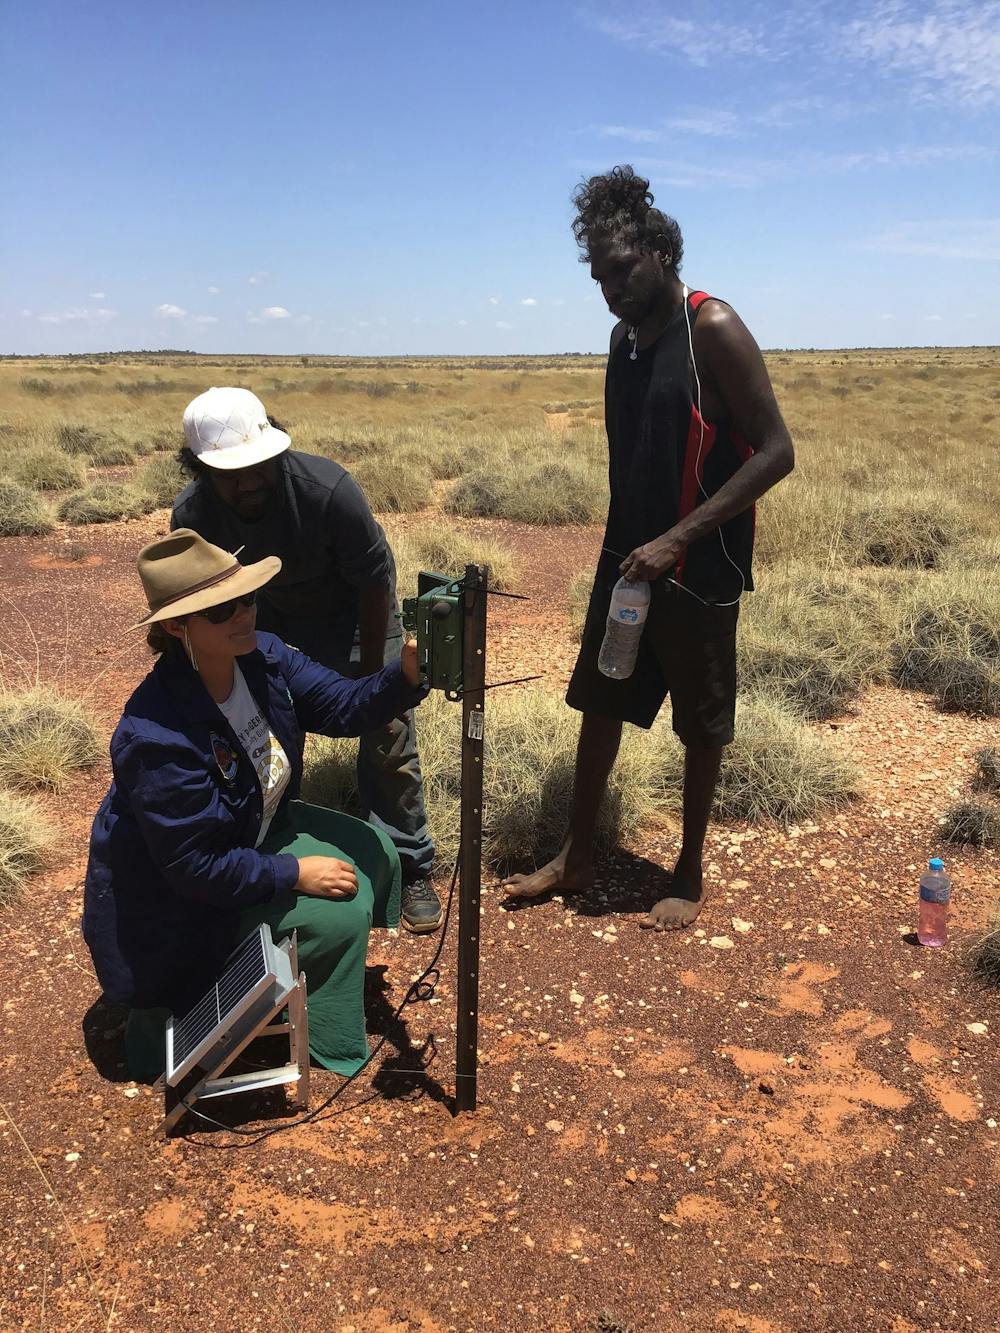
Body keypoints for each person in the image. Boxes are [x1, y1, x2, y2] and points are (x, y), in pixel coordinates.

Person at [504, 165, 794, 929]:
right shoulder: (623, 340)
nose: (610, 288)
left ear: (661, 252)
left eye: (622, 269)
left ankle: (690, 870)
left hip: (700, 568)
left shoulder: (714, 330)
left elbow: (776, 451)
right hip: (629, 559)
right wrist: (625, 549)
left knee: (701, 724)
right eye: (598, 276)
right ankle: (578, 853)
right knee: (600, 701)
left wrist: (679, 538)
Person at [82, 528, 429, 1080]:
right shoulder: (156, 737)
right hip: (181, 901)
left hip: (250, 831)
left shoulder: (261, 656)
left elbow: (340, 705)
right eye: (222, 609)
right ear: (176, 627)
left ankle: (293, 981)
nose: (244, 613)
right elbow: (194, 868)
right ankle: (208, 1015)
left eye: (246, 597)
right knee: (340, 911)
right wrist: (292, 872)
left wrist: (406, 673)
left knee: (377, 852)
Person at [170, 386, 442, 933]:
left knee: (387, 734)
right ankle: (266, 849)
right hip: (260, 616)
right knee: (252, 730)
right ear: (198, 469)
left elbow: (373, 581)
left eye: (255, 468)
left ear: (275, 451)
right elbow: (198, 605)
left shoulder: (328, 490)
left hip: (354, 612)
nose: (246, 484)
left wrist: (369, 676)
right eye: (228, 474)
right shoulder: (192, 515)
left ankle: (410, 863)